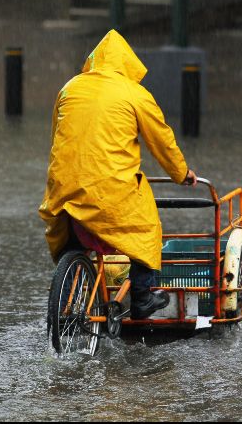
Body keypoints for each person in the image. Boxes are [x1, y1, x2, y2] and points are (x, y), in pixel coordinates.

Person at [38, 29, 197, 320]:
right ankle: (142, 296)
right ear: (127, 63)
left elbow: (56, 138)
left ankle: (67, 299)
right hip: (109, 191)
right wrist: (181, 174)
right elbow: (162, 141)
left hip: (64, 186)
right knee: (146, 226)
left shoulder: (70, 88)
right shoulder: (134, 93)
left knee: (72, 241)